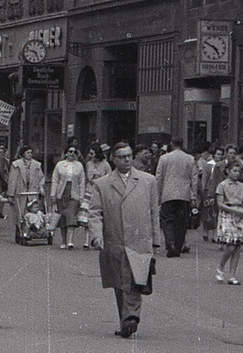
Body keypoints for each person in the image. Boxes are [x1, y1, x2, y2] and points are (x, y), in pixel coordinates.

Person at [87, 141, 162, 340]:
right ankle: (125, 320)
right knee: (120, 283)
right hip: (114, 241)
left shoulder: (148, 181)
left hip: (140, 240)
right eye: (121, 156)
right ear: (113, 159)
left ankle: (131, 317)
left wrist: (156, 240)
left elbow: (154, 212)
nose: (126, 160)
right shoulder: (102, 184)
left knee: (134, 281)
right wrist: (96, 236)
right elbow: (94, 212)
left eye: (129, 156)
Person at [155, 135, 198, 257]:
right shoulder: (190, 159)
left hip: (167, 193)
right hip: (184, 194)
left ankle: (170, 244)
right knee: (181, 221)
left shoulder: (164, 158)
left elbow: (159, 177)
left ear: (172, 144)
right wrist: (193, 195)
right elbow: (194, 178)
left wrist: (158, 195)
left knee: (167, 220)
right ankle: (178, 246)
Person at [215, 158, 243, 284]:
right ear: (228, 171)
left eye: (238, 171)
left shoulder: (242, 186)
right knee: (230, 245)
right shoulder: (222, 185)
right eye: (234, 171)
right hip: (228, 215)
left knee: (238, 246)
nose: (237, 174)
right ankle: (221, 266)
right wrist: (234, 211)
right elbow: (220, 204)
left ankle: (232, 275)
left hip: (240, 216)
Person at [51, 144, 86, 249]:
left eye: (74, 152)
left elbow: (82, 182)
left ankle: (70, 241)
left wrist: (81, 196)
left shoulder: (79, 166)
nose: (72, 154)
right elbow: (55, 180)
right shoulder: (60, 165)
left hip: (73, 193)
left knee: (71, 216)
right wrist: (53, 194)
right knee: (62, 217)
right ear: (66, 153)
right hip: (62, 193)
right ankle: (63, 240)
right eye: (70, 151)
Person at [84, 143, 112, 249]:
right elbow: (87, 177)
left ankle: (100, 238)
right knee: (87, 216)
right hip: (89, 190)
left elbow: (108, 179)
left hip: (101, 191)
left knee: (100, 214)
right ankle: (87, 239)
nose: (90, 155)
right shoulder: (89, 164)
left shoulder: (105, 165)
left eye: (92, 153)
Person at [7, 145, 45, 216]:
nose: (30, 154)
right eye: (28, 153)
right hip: (20, 191)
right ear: (23, 154)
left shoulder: (37, 165)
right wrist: (10, 194)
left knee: (33, 211)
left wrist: (41, 187)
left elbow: (41, 177)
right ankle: (20, 225)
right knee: (20, 212)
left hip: (32, 191)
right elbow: (12, 180)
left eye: (31, 152)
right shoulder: (16, 165)